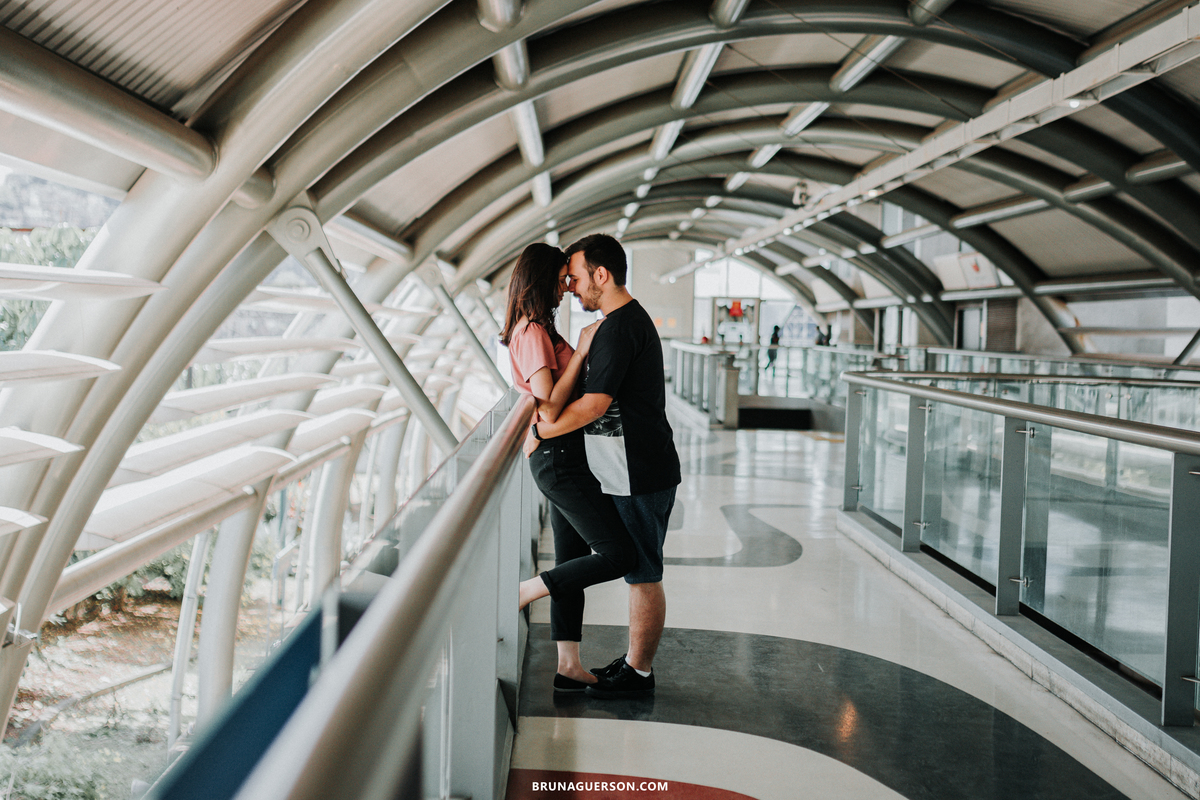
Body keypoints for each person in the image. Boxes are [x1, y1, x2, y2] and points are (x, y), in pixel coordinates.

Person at [524, 234, 681, 699]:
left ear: (601, 274)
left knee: (642, 571)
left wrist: (539, 432)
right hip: (630, 465)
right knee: (637, 569)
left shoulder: (619, 327)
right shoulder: (621, 323)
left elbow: (594, 405)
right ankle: (635, 665)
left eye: (574, 277)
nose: (570, 286)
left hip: (641, 469)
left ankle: (640, 673)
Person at [501, 242, 636, 693]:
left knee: (572, 560)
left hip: (561, 457)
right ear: (542, 280)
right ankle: (524, 591)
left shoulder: (532, 328)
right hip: (557, 459)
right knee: (618, 554)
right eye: (561, 280)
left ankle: (568, 666)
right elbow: (550, 409)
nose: (566, 288)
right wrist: (580, 352)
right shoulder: (533, 331)